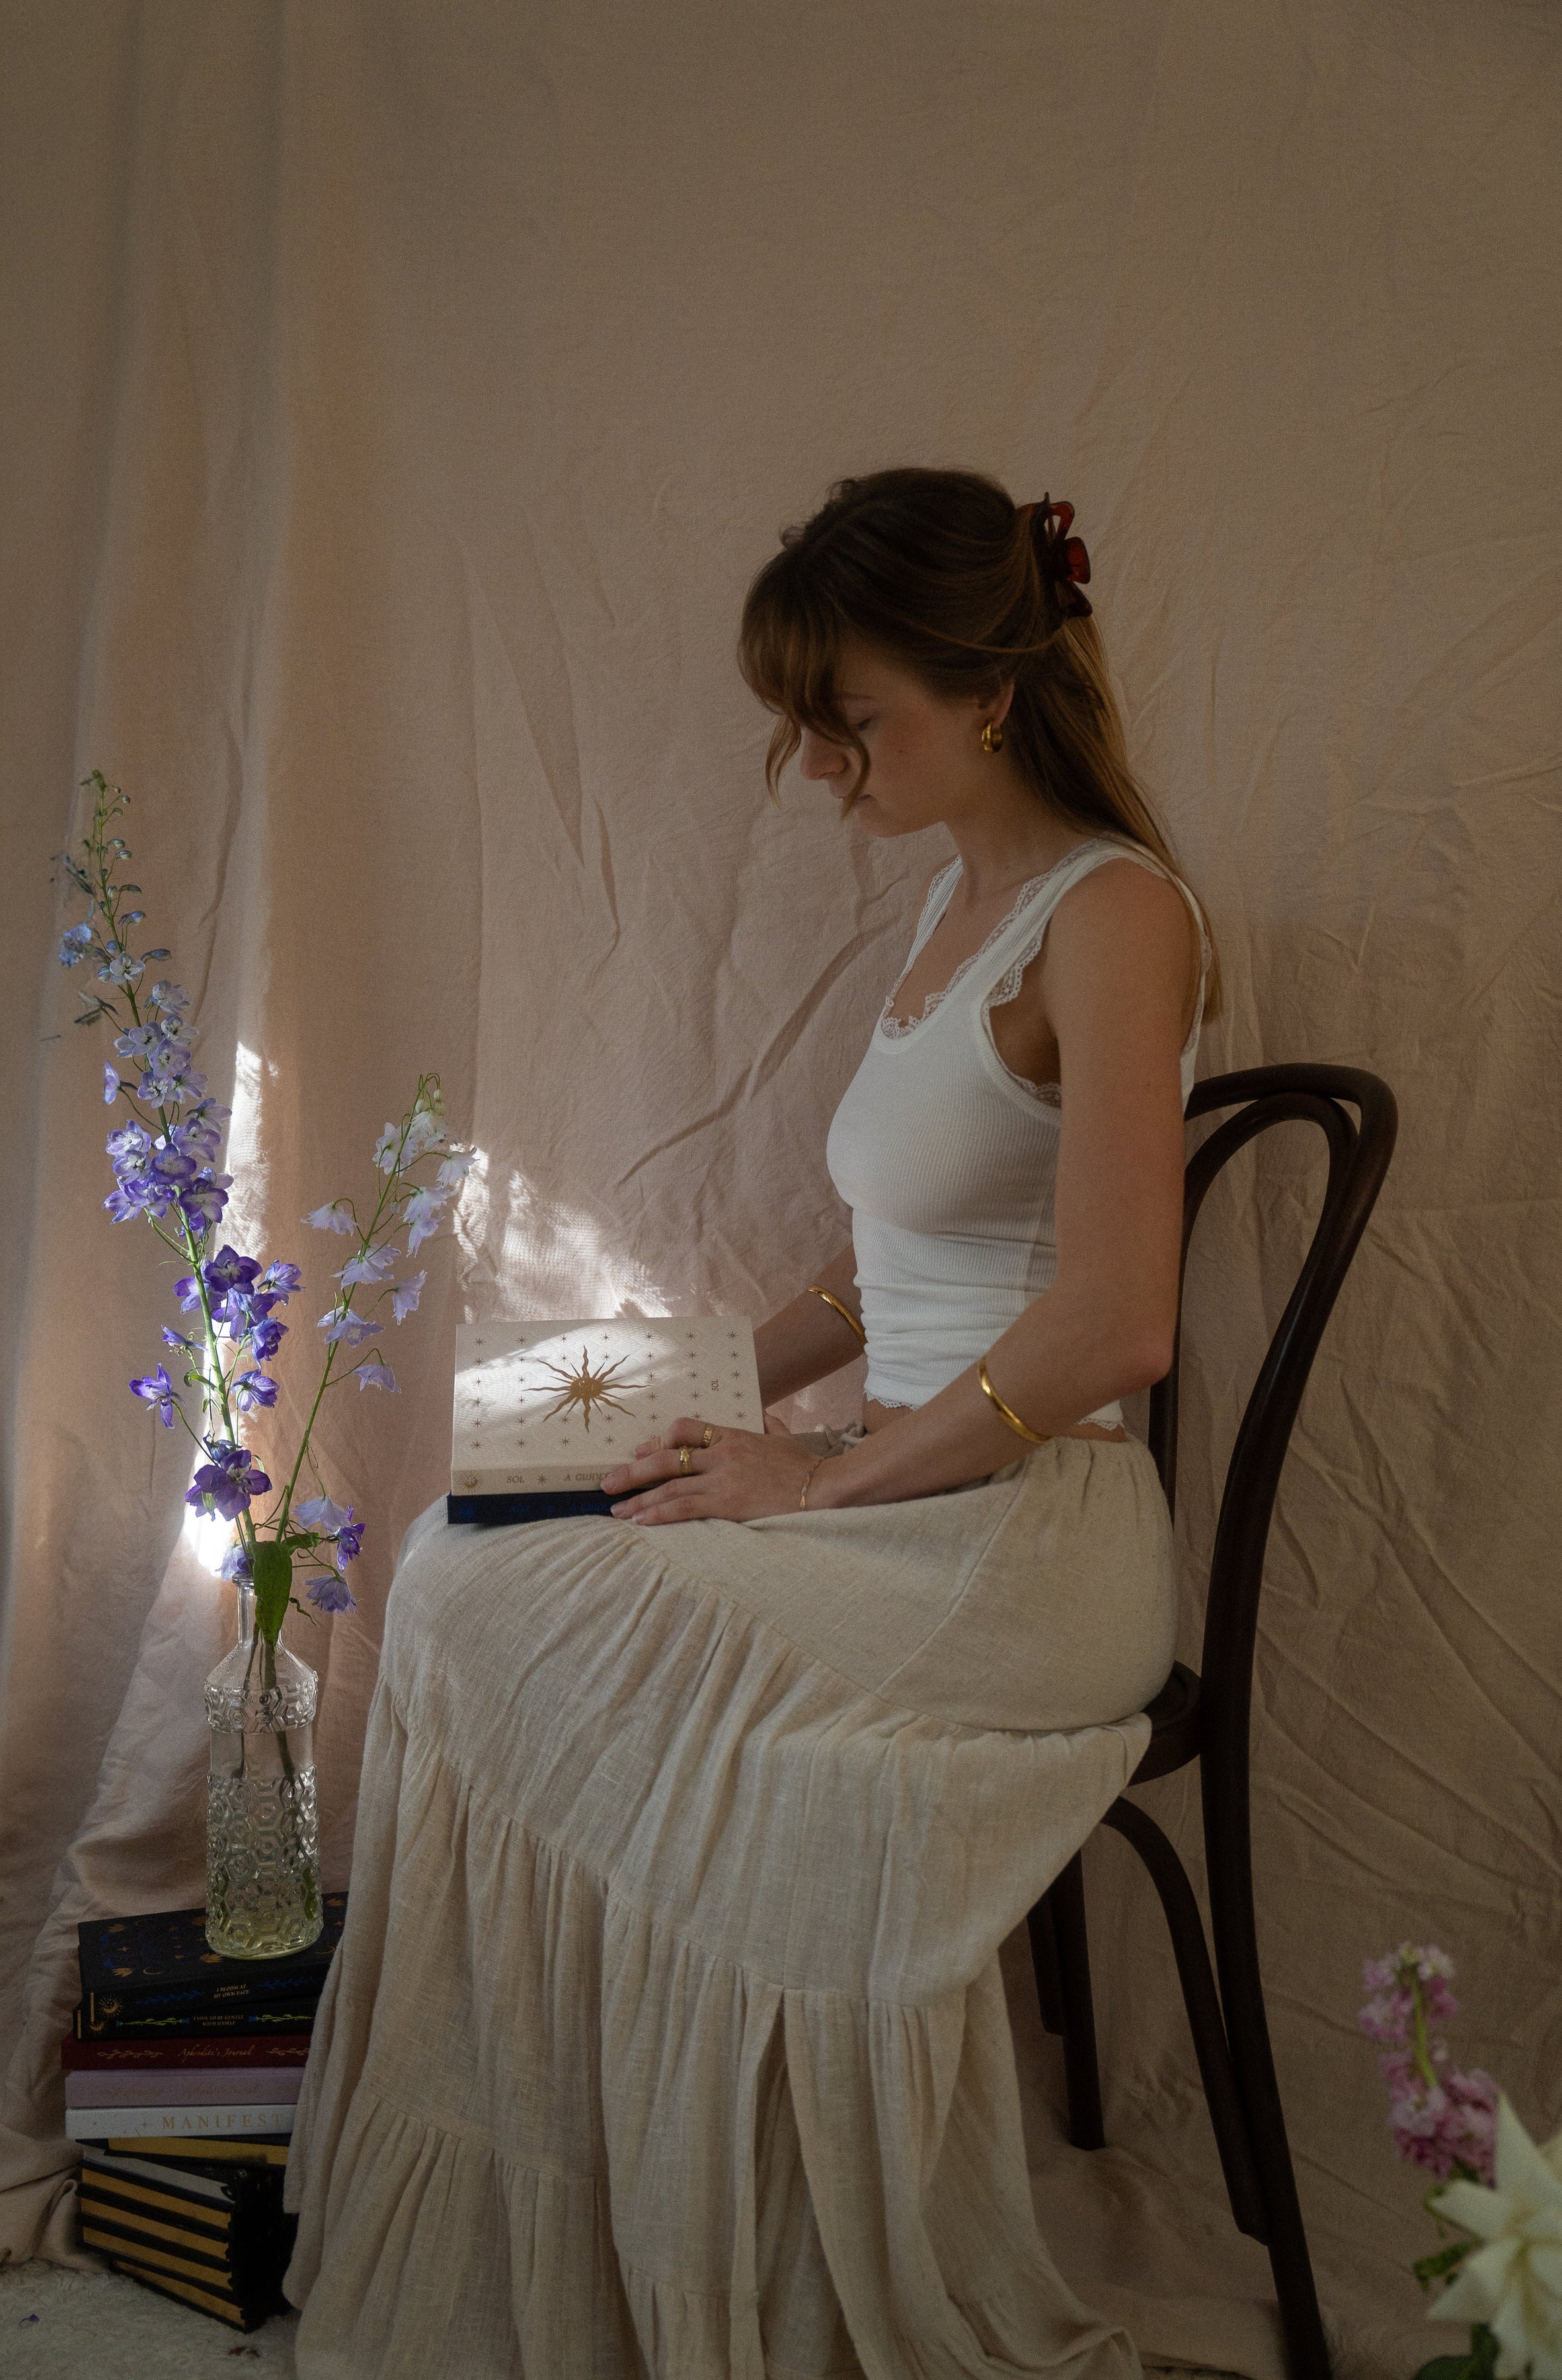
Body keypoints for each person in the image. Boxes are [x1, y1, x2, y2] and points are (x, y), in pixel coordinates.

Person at [284, 467, 1220, 2380]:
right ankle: (600, 2227)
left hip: (1029, 1535)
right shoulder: (957, 908)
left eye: (847, 719)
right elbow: (888, 1275)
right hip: (906, 1487)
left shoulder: (1119, 917)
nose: (816, 765)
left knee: (502, 1609)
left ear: (989, 692)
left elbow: (1115, 1321)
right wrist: (689, 1379)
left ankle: (698, 2244)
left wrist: (814, 1477)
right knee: (462, 1564)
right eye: (805, 723)